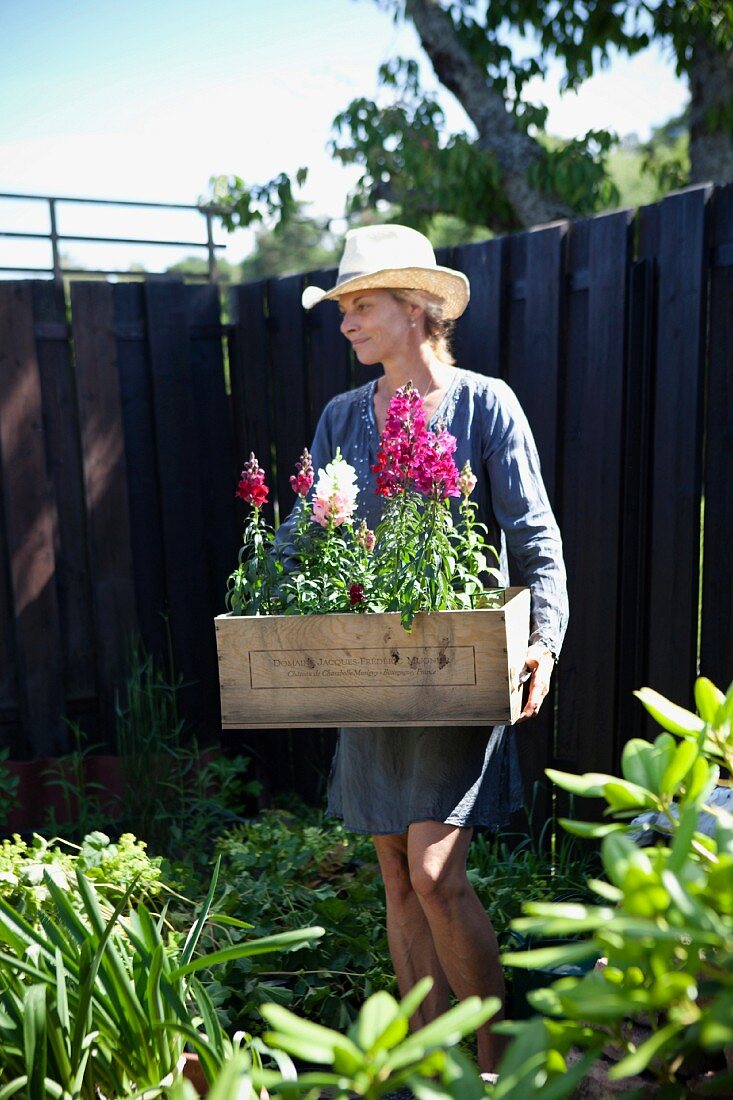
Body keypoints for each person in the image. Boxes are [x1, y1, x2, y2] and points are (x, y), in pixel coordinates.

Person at [283, 224, 568, 1075]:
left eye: (359, 307)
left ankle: (490, 1067)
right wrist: (270, 584)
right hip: (368, 671)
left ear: (414, 309)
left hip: (455, 663)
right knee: (397, 881)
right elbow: (304, 534)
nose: (345, 324)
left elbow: (533, 535)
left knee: (437, 870)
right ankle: (425, 1069)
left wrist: (544, 640)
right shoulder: (342, 416)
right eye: (340, 310)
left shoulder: (485, 404)